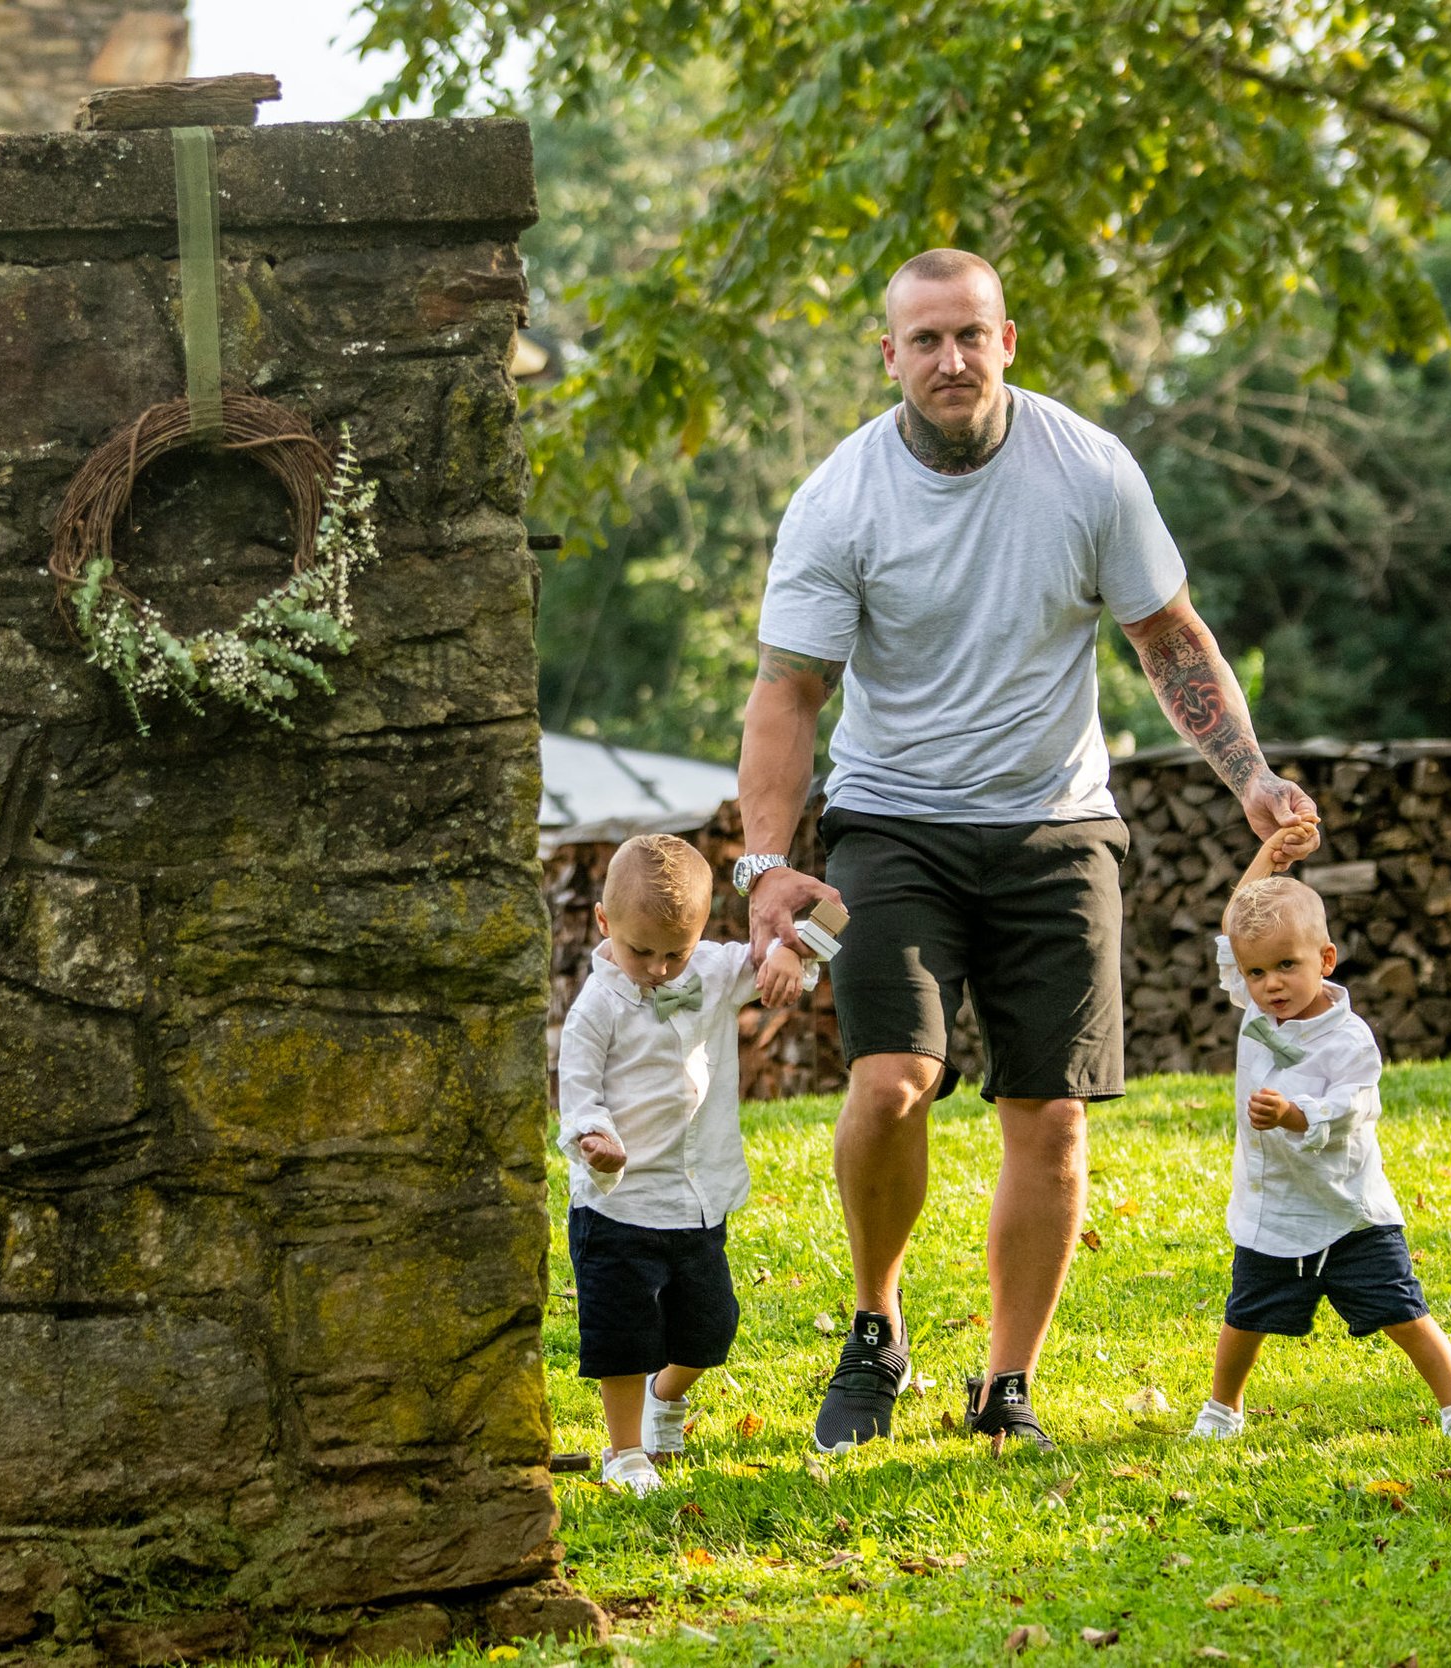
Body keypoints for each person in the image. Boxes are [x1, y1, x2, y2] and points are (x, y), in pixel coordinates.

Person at [735, 248, 1322, 1455]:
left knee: (1048, 1115)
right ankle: (875, 1328)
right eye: (926, 339)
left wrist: (1251, 775)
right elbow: (791, 690)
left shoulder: (1088, 469)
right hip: (891, 823)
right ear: (888, 356)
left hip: (1058, 827)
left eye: (971, 335)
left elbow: (1168, 634)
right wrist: (762, 864)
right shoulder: (840, 499)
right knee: (892, 1081)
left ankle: (1006, 1387)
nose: (951, 359)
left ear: (1008, 341)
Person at [1190, 822, 1451, 1443]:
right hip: (1275, 1212)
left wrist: (1294, 1116)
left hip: (1350, 1215)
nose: (1270, 984)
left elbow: (1350, 1110)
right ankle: (1222, 1411)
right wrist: (1266, 861)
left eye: (1286, 966)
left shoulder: (1349, 1039)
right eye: (1255, 972)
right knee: (1244, 1318)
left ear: (1325, 960)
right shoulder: (1255, 1009)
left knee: (1405, 1315)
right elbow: (1233, 929)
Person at [556, 834, 821, 1496]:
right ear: (604, 923)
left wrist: (791, 951)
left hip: (697, 1197)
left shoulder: (711, 971)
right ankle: (624, 1453)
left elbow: (830, 918)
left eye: (675, 952)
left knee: (710, 1329)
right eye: (640, 951)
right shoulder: (597, 1009)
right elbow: (579, 1094)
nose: (657, 969)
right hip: (616, 1203)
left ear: (702, 933)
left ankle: (664, 1397)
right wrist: (597, 1138)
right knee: (623, 1335)